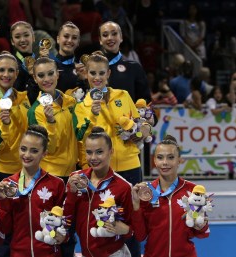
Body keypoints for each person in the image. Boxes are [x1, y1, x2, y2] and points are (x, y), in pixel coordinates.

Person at [75, 51, 151, 257]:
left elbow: (139, 125)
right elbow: (84, 140)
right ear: (86, 75)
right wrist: (94, 113)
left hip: (129, 166)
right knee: (104, 223)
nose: (97, 78)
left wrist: (142, 131)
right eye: (92, 73)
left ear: (108, 73)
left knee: (132, 220)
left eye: (101, 73)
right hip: (102, 172)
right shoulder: (82, 107)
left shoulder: (123, 96)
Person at [131, 135, 210, 257]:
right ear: (155, 161)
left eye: (171, 157)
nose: (165, 162)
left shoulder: (192, 191)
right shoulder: (147, 193)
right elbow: (140, 236)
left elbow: (203, 234)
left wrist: (201, 226)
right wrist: (136, 205)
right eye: (160, 157)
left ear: (179, 160)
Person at [0, 124, 66, 256]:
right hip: (18, 253)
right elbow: (5, 228)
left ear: (44, 153)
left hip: (49, 253)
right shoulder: (8, 185)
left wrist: (63, 236)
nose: (27, 155)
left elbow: (65, 225)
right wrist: (3, 201)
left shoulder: (56, 184)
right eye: (23, 149)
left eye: (34, 151)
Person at [64, 126, 134, 257]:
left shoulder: (123, 186)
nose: (93, 157)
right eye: (89, 152)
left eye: (99, 152)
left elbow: (134, 228)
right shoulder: (76, 179)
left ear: (111, 151)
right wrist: (72, 194)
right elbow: (67, 220)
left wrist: (127, 230)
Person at [28, 57, 86, 184]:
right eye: (41, 75)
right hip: (49, 175)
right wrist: (50, 122)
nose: (47, 79)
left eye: (50, 73)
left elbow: (79, 136)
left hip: (73, 171)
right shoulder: (36, 111)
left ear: (57, 74)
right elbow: (48, 148)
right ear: (35, 78)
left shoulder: (70, 102)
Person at [0, 52, 30, 194]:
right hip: (1, 172)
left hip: (26, 169)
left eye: (11, 70)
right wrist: (5, 125)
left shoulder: (24, 99)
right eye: (1, 70)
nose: (6, 74)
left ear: (17, 73)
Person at [99, 21, 151, 103]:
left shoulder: (134, 67)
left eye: (114, 34)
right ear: (100, 40)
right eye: (105, 35)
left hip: (127, 115)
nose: (110, 38)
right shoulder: (90, 68)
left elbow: (145, 101)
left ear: (121, 38)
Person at [10, 21, 38, 104]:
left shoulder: (40, 64)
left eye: (26, 35)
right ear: (12, 41)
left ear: (33, 37)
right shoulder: (10, 65)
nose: (22, 40)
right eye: (17, 37)